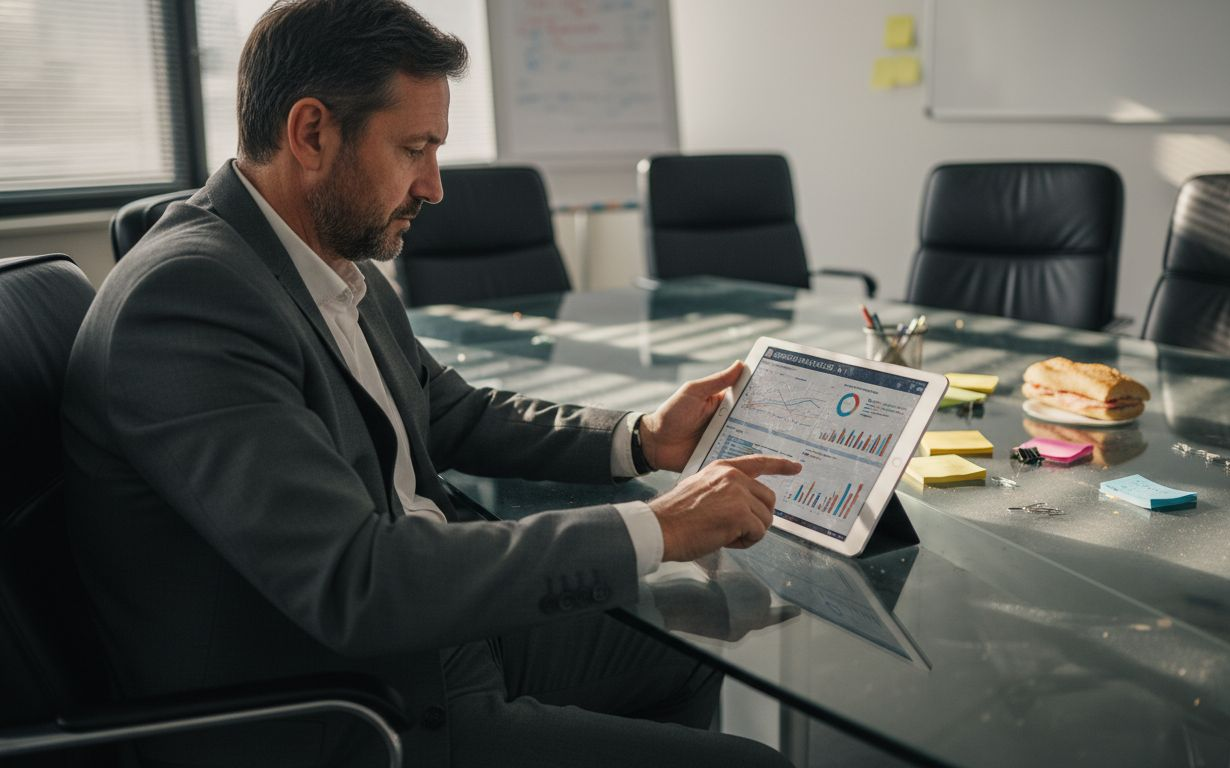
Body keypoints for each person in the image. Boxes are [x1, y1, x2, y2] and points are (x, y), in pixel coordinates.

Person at [60, 1, 801, 766]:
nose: (435, 187)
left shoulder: (327, 261)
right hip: (349, 704)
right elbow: (357, 581)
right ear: (311, 133)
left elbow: (450, 411)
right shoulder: (189, 300)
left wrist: (641, 439)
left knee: (691, 644)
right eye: (415, 149)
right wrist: (661, 526)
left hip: (437, 634)